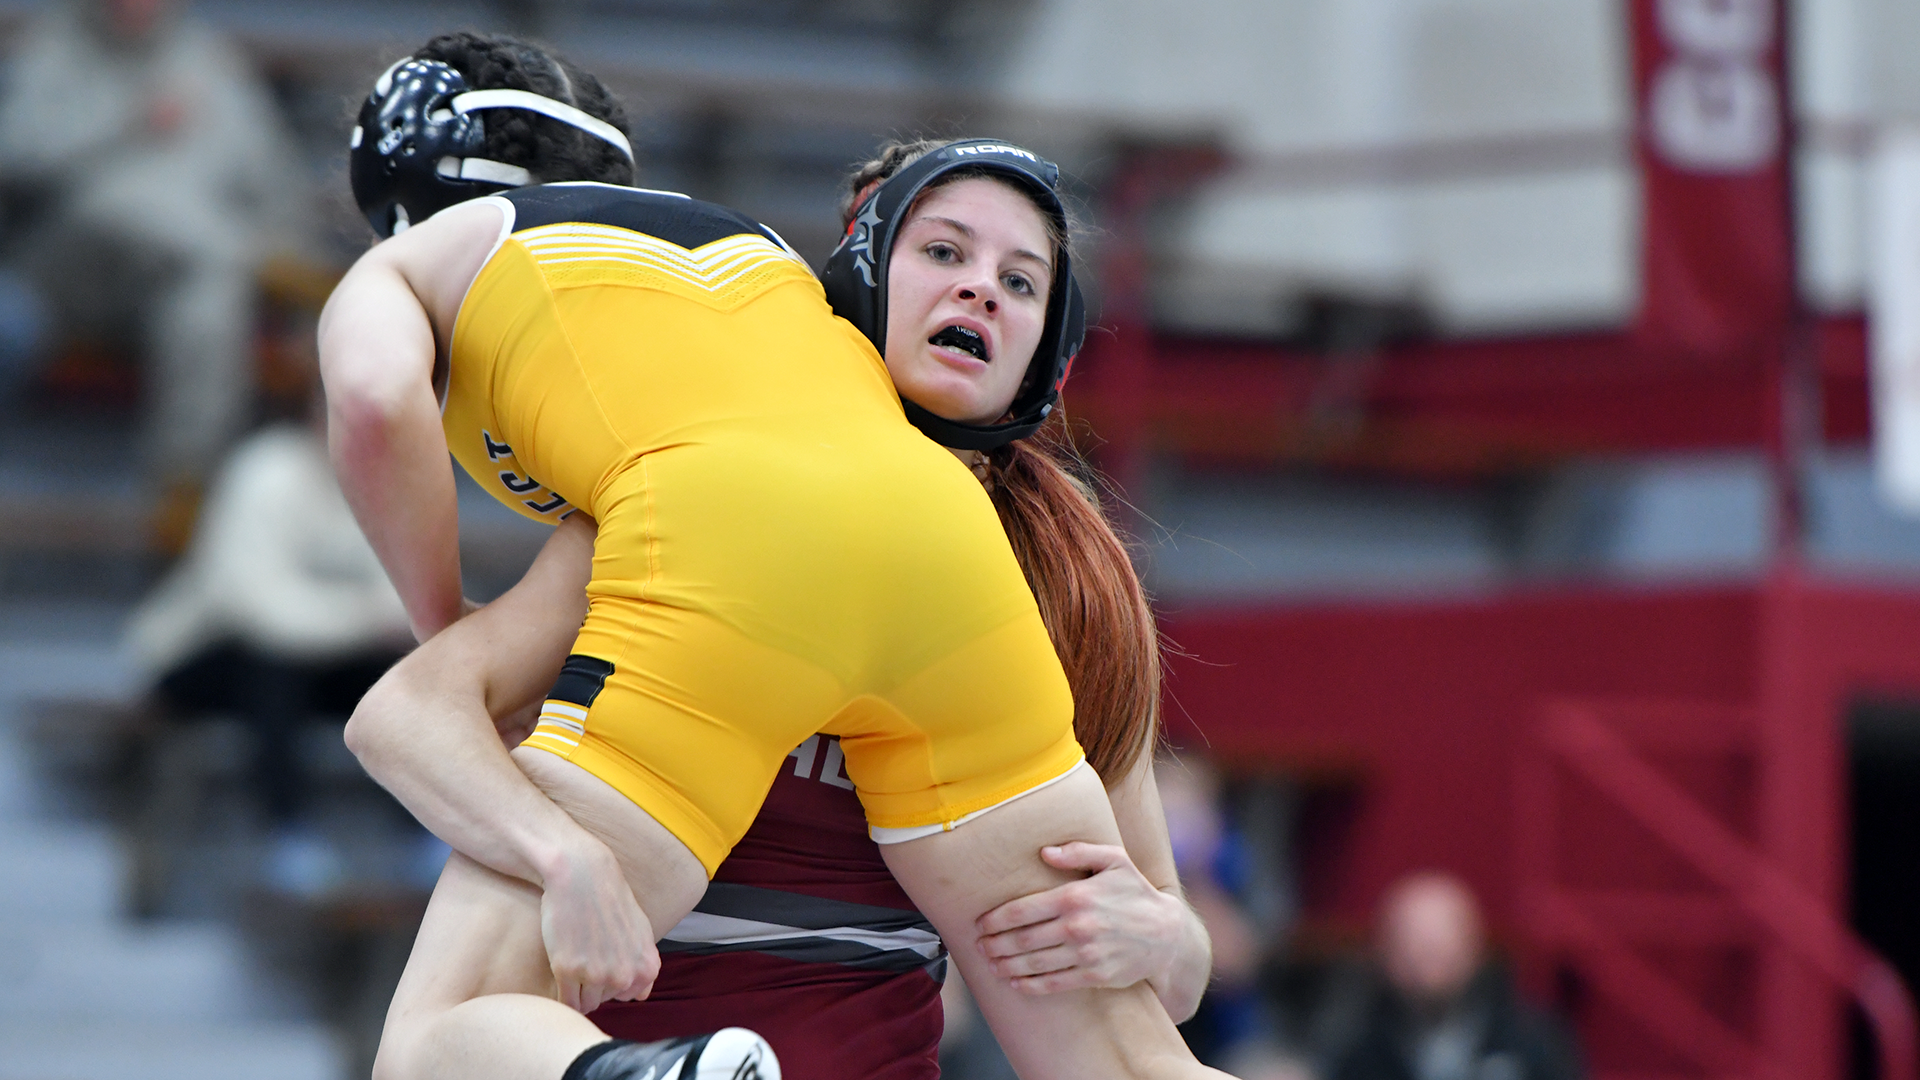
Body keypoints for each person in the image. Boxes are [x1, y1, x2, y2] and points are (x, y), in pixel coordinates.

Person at [321, 33, 1230, 1080]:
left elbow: (1176, 945)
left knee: (438, 1036)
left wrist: (1170, 936)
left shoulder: (1058, 579)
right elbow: (420, 707)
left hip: (731, 1039)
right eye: (943, 253)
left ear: (1051, 350)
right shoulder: (728, 490)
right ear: (840, 292)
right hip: (729, 1011)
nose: (980, 291)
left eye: (1020, 282)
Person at [0, 0, 312, 503]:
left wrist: (284, 230)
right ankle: (256, 259)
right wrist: (125, 123)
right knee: (128, 204)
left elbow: (273, 178)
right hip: (70, 264)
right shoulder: (53, 48)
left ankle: (181, 491)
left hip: (171, 276)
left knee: (204, 297)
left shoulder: (209, 60)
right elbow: (17, 156)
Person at [1325, 873, 1583, 1080]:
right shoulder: (1351, 1048)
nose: (1425, 961)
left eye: (1440, 945)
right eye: (1411, 945)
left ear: (1475, 949)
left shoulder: (1532, 1042)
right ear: (1383, 955)